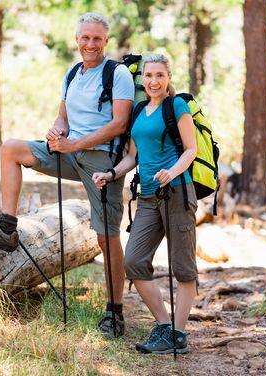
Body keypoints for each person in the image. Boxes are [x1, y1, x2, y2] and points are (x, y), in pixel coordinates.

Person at [0, 12, 135, 337]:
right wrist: (57, 133)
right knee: (11, 149)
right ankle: (7, 228)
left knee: (106, 236)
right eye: (85, 37)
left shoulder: (118, 74)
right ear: (77, 39)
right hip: (69, 152)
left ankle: (115, 312)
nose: (90, 44)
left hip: (102, 161)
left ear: (106, 41)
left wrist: (73, 145)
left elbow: (119, 123)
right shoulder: (72, 74)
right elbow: (63, 119)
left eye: (97, 38)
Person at [92, 54, 198, 354]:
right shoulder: (139, 110)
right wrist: (112, 173)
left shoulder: (177, 106)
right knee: (134, 261)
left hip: (177, 192)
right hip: (149, 197)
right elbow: (133, 156)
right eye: (149, 75)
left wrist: (172, 171)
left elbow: (191, 149)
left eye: (160, 75)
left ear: (168, 77)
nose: (153, 81)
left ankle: (178, 334)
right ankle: (164, 326)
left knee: (183, 267)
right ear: (144, 79)